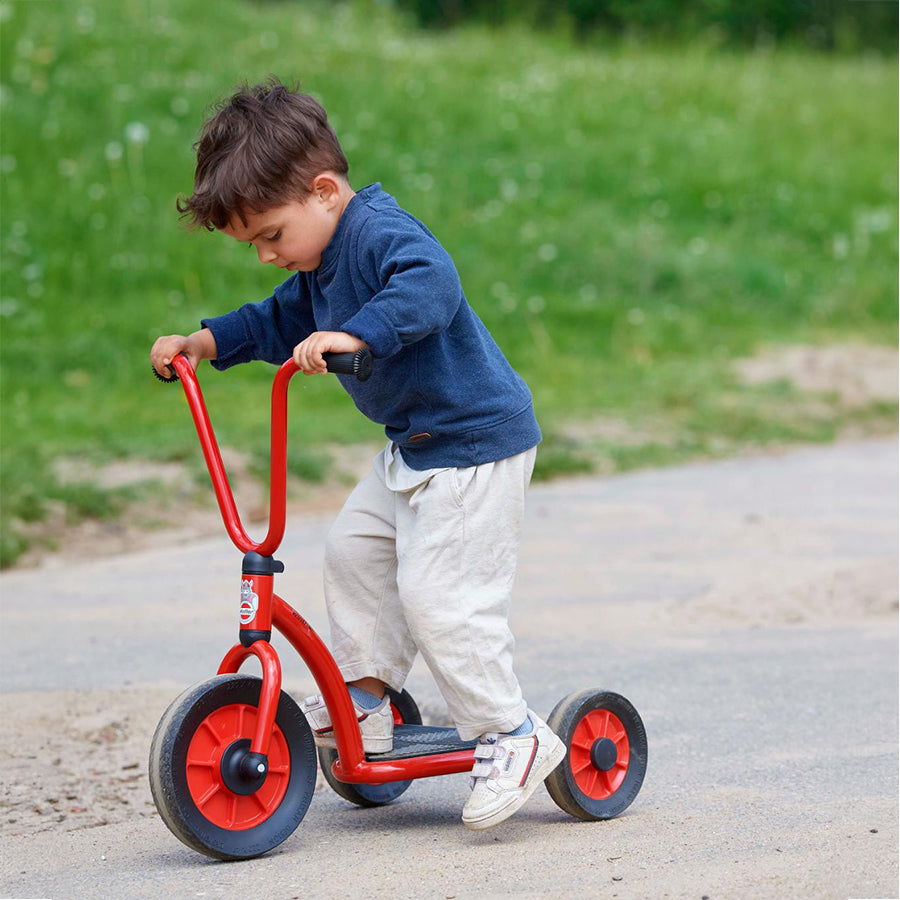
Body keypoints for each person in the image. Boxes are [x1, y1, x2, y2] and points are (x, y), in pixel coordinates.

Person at [150, 79, 565, 830]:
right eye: (253, 244)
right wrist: (203, 343)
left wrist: (359, 332)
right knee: (353, 553)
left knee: (440, 599)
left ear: (324, 191)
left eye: (272, 235)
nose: (267, 255)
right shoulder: (315, 267)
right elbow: (273, 320)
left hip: (474, 445)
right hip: (415, 447)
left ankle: (512, 731)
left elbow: (431, 284)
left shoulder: (378, 232)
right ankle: (365, 699)